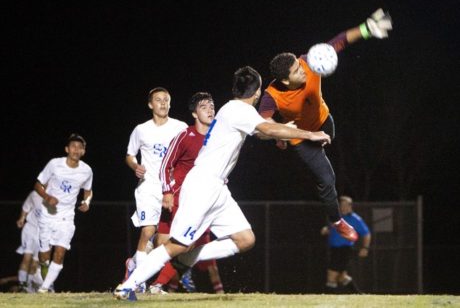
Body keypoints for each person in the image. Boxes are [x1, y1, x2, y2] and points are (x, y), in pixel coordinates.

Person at [114, 66, 331, 300]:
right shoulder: (239, 110)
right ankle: (129, 285)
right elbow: (266, 127)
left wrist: (281, 132)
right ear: (257, 93)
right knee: (176, 245)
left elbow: (260, 132)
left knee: (245, 238)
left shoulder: (233, 109)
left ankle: (188, 258)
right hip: (203, 186)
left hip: (217, 189)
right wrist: (309, 134)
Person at [258, 8, 392, 240]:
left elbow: (339, 42)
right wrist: (279, 134)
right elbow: (261, 126)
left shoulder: (309, 61)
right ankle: (338, 221)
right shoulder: (271, 96)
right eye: (297, 71)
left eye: (301, 65)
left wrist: (366, 28)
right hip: (301, 138)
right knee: (327, 179)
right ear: (284, 80)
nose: (303, 68)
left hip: (325, 123)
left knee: (333, 145)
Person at [148, 92, 224, 294]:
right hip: (176, 198)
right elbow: (165, 165)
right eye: (204, 106)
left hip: (199, 202)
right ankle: (138, 275)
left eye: (212, 105)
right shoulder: (185, 135)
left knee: (186, 246)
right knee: (162, 246)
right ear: (194, 113)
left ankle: (156, 285)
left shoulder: (218, 139)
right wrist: (167, 192)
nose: (210, 109)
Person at [124, 87, 187, 291]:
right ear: (150, 104)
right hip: (149, 187)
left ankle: (134, 265)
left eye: (166, 100)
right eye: (158, 100)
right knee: (148, 229)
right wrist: (135, 166)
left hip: (172, 189)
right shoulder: (141, 129)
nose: (163, 103)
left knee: (163, 241)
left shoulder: (180, 127)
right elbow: (129, 155)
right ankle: (139, 283)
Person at [33, 133, 93, 293]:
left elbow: (88, 191)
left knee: (60, 252)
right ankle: (43, 268)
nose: (76, 149)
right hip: (48, 214)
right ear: (67, 149)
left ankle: (44, 290)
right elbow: (38, 185)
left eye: (80, 147)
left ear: (83, 152)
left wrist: (86, 202)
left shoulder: (86, 170)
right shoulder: (54, 164)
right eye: (73, 146)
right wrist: (47, 196)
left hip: (67, 216)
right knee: (44, 256)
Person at [320, 196, 371, 293]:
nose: (343, 207)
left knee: (331, 275)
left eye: (345, 205)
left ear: (350, 206)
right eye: (341, 205)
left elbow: (366, 234)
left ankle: (328, 299)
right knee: (341, 277)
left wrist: (365, 248)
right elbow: (331, 229)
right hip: (334, 249)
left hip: (344, 250)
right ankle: (358, 294)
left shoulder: (355, 219)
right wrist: (326, 230)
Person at [15, 190, 44, 293]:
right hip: (30, 229)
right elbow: (26, 207)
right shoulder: (35, 194)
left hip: (43, 232)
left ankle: (29, 286)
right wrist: (22, 218)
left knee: (35, 262)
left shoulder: (58, 196)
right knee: (26, 258)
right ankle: (22, 285)